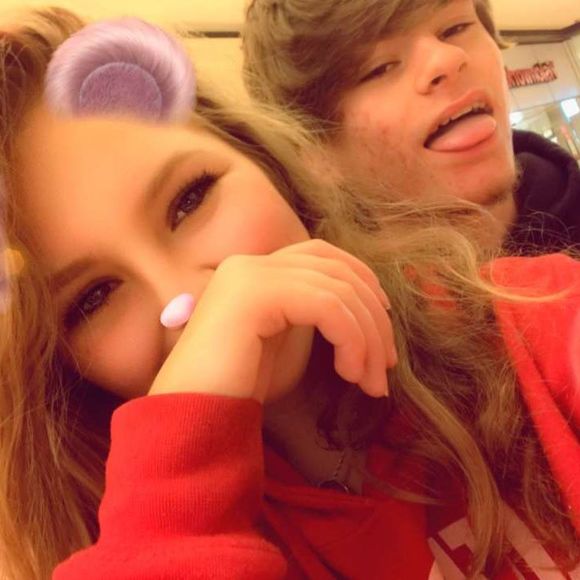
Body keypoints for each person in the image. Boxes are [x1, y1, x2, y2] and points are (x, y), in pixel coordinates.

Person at [0, 7, 578, 580]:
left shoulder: (538, 318)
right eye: (94, 298)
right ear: (59, 367)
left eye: (190, 200)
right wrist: (176, 489)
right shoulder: (97, 540)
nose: (189, 302)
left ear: (266, 163)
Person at [242, 0, 580, 253]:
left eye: (455, 28)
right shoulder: (321, 323)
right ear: (314, 155)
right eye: (379, 68)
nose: (447, 58)